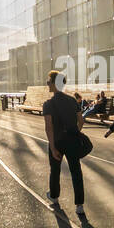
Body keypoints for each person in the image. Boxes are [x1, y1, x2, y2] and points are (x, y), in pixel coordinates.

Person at [43, 70, 87, 215]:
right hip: (72, 140)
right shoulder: (72, 100)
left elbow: (49, 127)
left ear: (55, 84)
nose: (47, 84)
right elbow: (81, 121)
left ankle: (54, 197)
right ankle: (79, 205)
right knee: (76, 171)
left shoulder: (48, 104)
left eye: (49, 82)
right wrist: (76, 133)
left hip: (57, 140)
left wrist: (53, 147)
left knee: (55, 169)